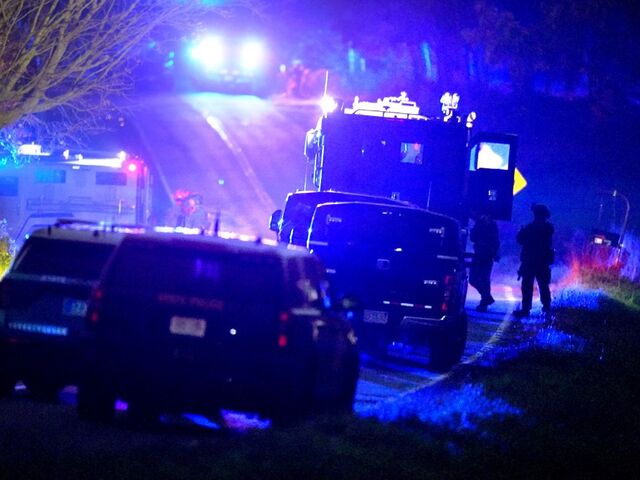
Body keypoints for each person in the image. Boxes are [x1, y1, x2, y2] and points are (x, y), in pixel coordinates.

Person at [513, 203, 555, 317]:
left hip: (532, 260)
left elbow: (521, 240)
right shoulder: (547, 228)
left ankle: (527, 308)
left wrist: (522, 232)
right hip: (540, 260)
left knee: (529, 285)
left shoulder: (532, 228)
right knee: (542, 285)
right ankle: (545, 307)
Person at [469, 213, 500, 312]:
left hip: (485, 255)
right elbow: (473, 237)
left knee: (482, 279)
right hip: (481, 254)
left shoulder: (490, 224)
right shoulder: (483, 223)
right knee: (476, 279)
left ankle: (485, 301)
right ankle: (486, 298)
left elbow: (495, 241)